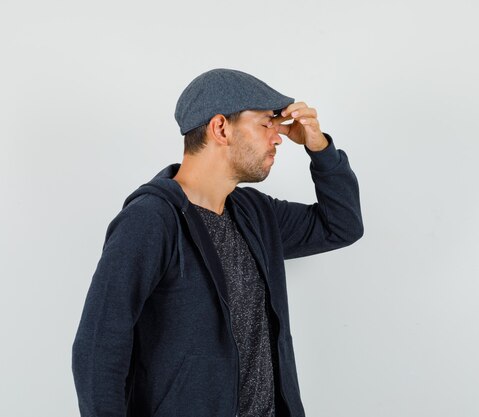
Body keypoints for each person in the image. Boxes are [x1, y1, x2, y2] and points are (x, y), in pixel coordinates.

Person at [71, 68, 364, 417]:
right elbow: (97, 347)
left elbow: (341, 225)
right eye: (266, 123)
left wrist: (321, 148)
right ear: (221, 128)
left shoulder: (255, 213)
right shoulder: (151, 220)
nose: (278, 137)